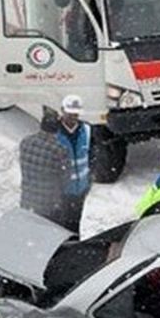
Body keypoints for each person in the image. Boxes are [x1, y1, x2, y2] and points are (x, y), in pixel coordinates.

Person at [19, 111, 73, 228]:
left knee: (28, 230)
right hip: (50, 206)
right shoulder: (60, 149)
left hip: (28, 200)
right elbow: (68, 179)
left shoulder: (26, 142)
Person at [55, 94, 92, 235]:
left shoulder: (87, 130)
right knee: (61, 228)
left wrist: (88, 181)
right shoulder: (55, 133)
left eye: (75, 114)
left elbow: (91, 157)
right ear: (62, 111)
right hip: (62, 191)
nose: (72, 118)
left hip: (80, 190)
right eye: (69, 114)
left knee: (75, 225)